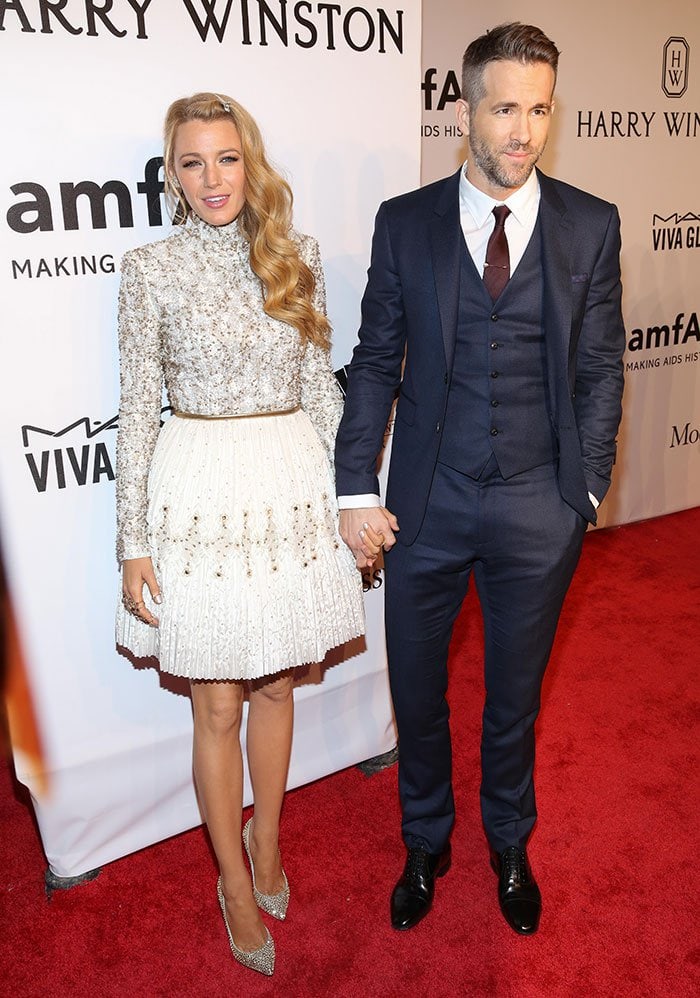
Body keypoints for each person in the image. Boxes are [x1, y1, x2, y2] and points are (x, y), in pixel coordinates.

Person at [336, 23, 625, 935]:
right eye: (505, 108)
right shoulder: (405, 222)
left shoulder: (591, 222)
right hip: (425, 502)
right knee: (418, 692)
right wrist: (356, 489)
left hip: (540, 505)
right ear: (464, 108)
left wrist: (583, 490)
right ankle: (427, 837)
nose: (523, 131)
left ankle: (508, 839)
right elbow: (376, 360)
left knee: (514, 696)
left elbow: (603, 367)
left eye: (540, 109)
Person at [115, 93, 364, 976]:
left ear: (248, 164)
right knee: (216, 701)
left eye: (227, 159)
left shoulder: (292, 255)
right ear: (173, 174)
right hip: (200, 492)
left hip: (289, 483)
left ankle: (268, 843)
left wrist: (357, 492)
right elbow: (138, 411)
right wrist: (131, 542)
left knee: (278, 689)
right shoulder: (148, 270)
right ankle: (230, 878)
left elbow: (324, 387)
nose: (212, 178)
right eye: (192, 162)